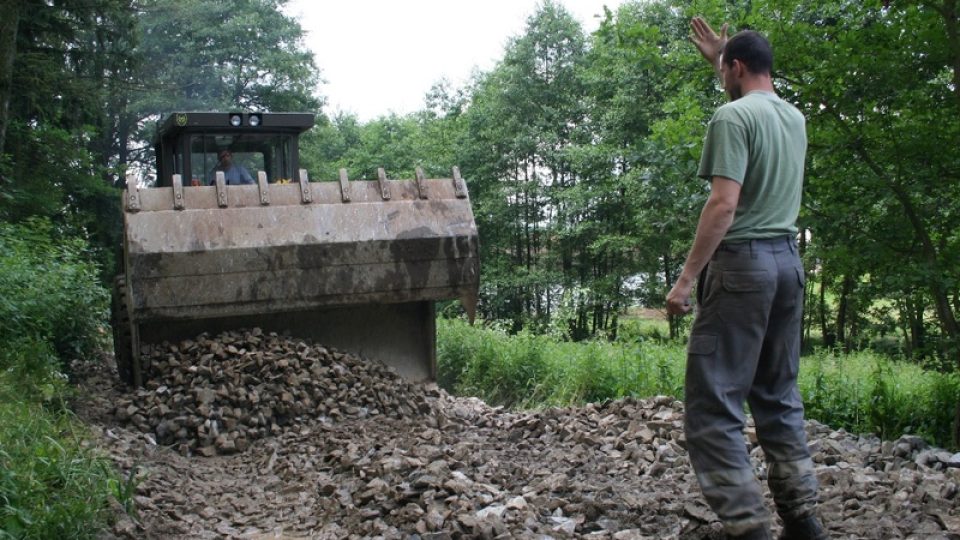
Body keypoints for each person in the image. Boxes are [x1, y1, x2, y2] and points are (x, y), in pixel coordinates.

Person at [664, 17, 827, 540]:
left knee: (712, 406)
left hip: (742, 269)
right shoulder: (794, 118)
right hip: (787, 265)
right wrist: (721, 54)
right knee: (778, 396)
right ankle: (803, 520)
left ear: (735, 68)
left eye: (723, 67)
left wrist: (686, 280)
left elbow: (724, 203)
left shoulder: (731, 119)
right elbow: (741, 83)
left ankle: (748, 527)